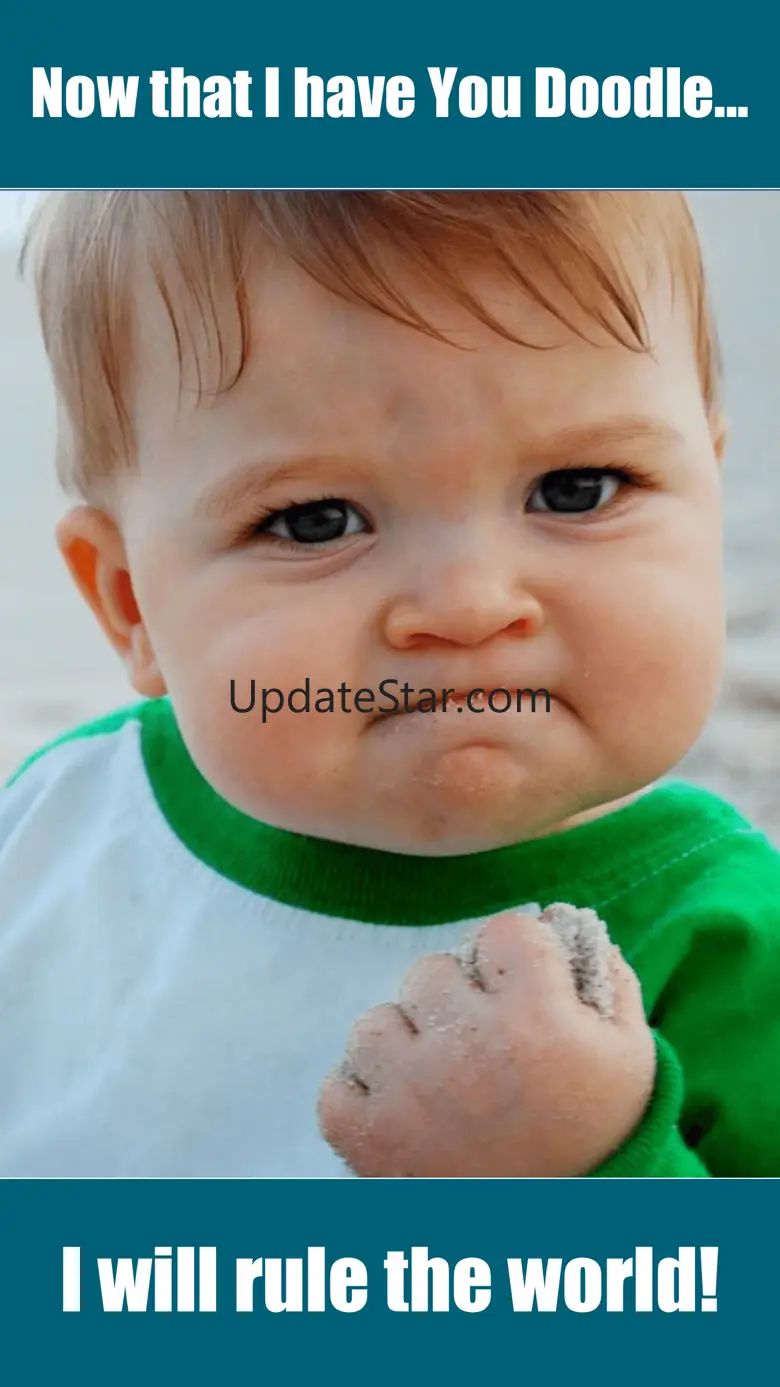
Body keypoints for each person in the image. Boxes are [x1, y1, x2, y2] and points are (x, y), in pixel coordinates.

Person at [1, 191, 778, 1177]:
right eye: (316, 521)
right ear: (131, 606)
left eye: (577, 489)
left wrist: (583, 1169)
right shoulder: (59, 822)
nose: (468, 605)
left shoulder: (725, 943)